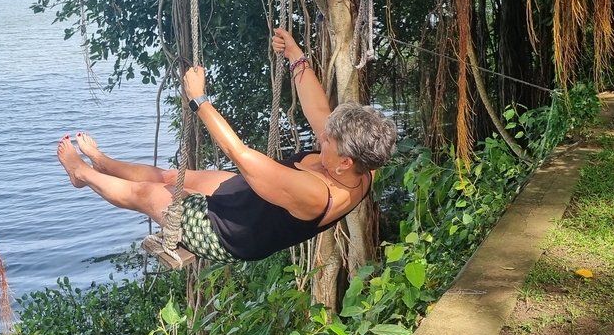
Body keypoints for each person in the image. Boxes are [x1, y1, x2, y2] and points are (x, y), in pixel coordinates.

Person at [57, 28, 397, 263]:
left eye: (328, 141)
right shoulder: (356, 161)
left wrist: (198, 99)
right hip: (249, 200)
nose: (322, 137)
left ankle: (82, 173)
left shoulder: (320, 194)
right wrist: (295, 57)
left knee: (147, 193)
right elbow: (319, 110)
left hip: (230, 233)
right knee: (169, 176)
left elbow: (241, 155)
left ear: (346, 163)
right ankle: (102, 161)